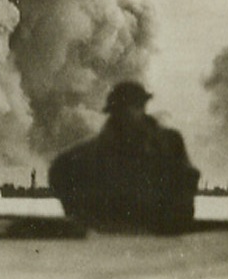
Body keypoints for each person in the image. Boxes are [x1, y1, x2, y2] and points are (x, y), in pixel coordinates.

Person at [48, 81, 199, 235]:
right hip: (109, 232)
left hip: (158, 230)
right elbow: (59, 172)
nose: (129, 115)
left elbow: (187, 184)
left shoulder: (169, 143)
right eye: (124, 109)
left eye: (134, 107)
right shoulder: (86, 155)